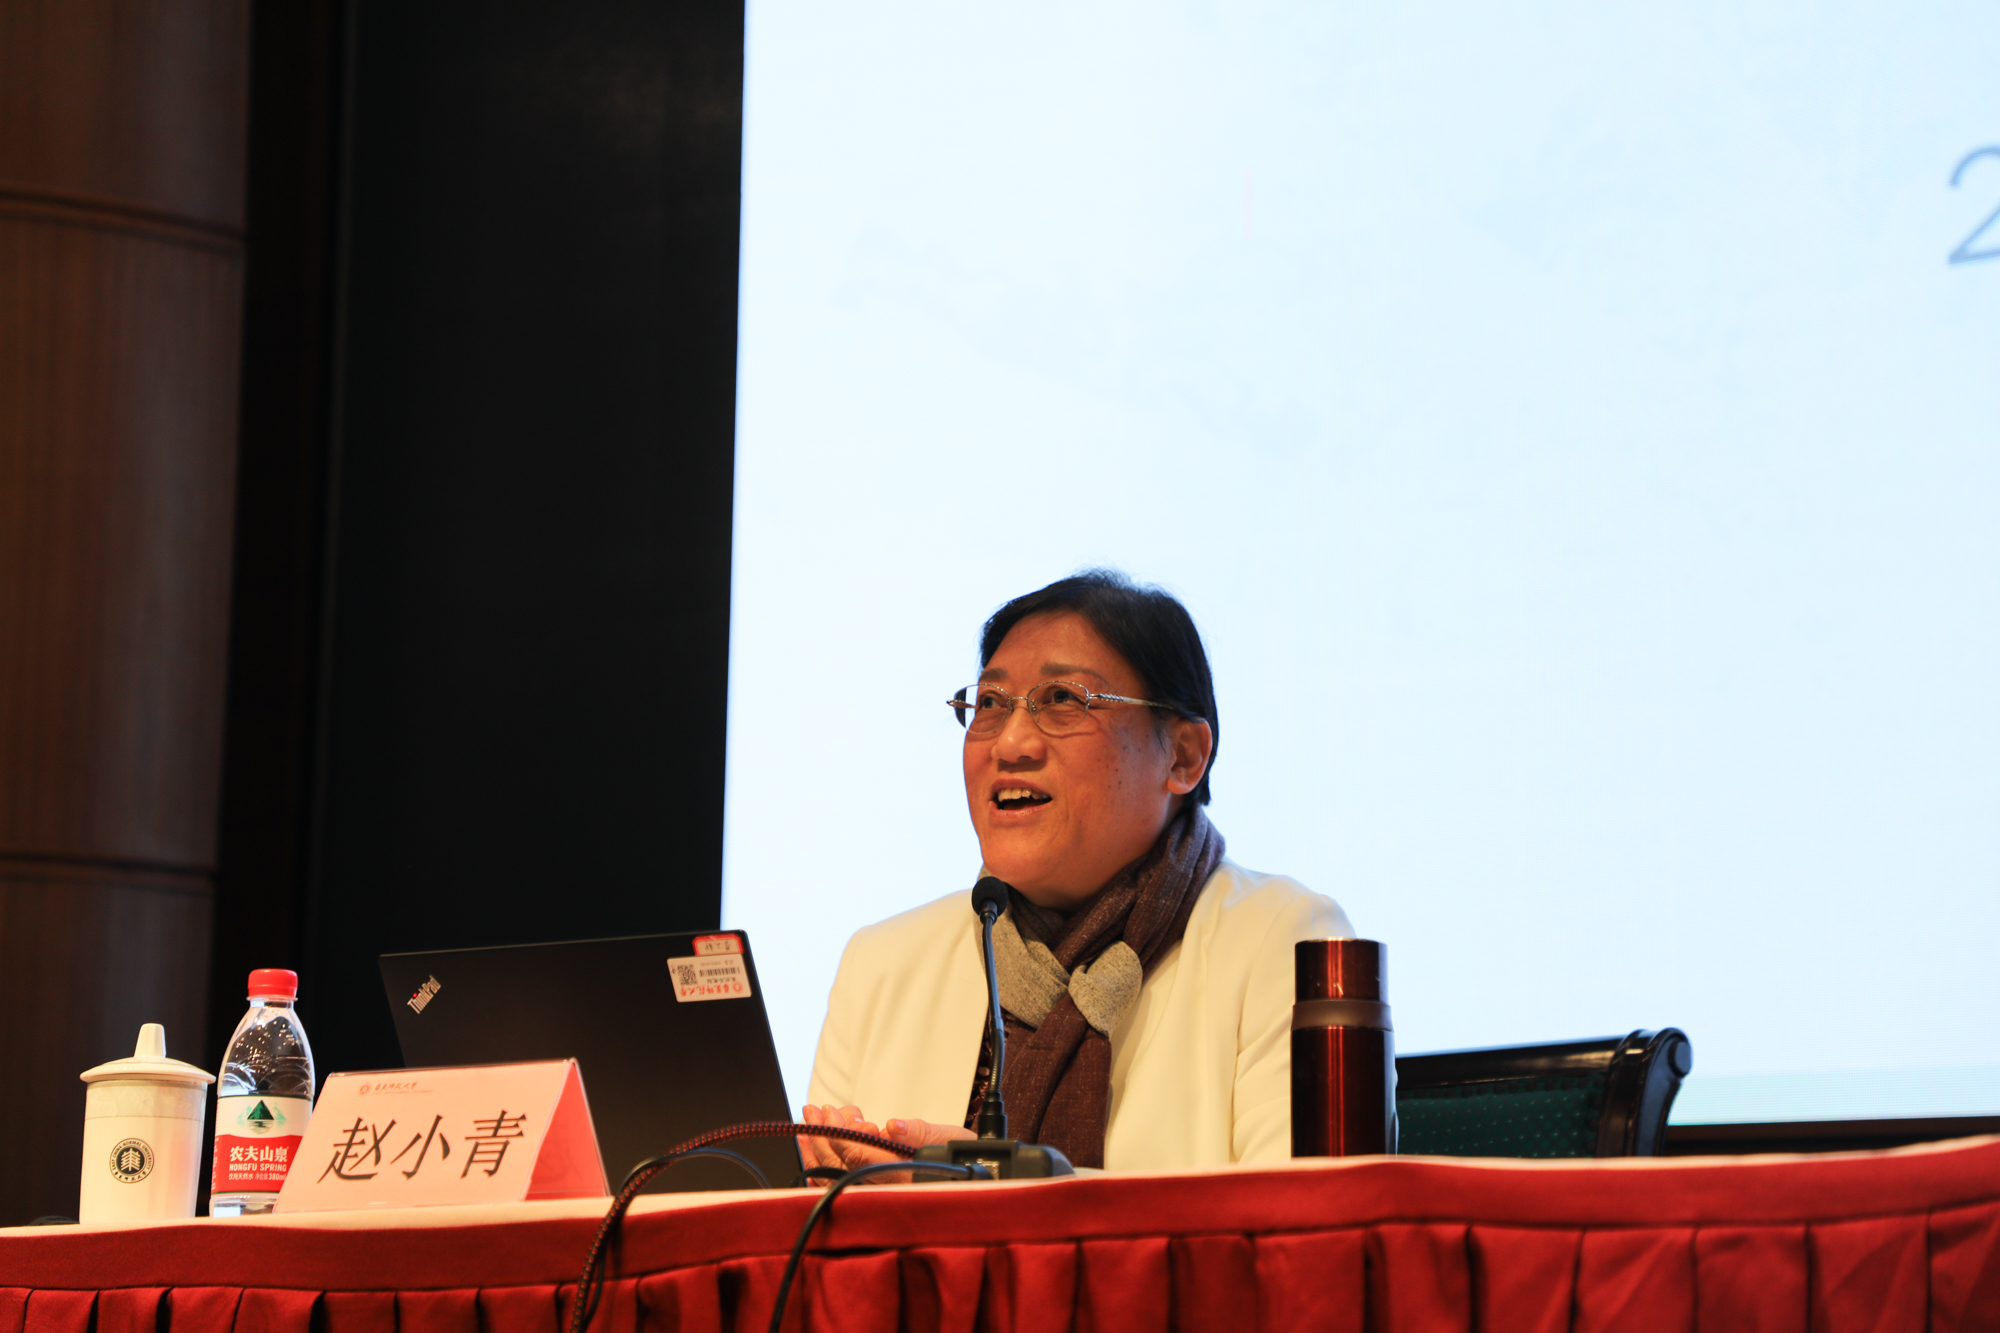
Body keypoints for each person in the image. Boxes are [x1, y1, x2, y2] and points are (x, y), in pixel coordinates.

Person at [799, 570, 1353, 1173]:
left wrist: (995, 1193)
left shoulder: (1285, 940)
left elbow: (1303, 1219)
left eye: (1063, 700)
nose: (1010, 742)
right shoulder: (880, 964)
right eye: (990, 704)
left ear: (1183, 756)